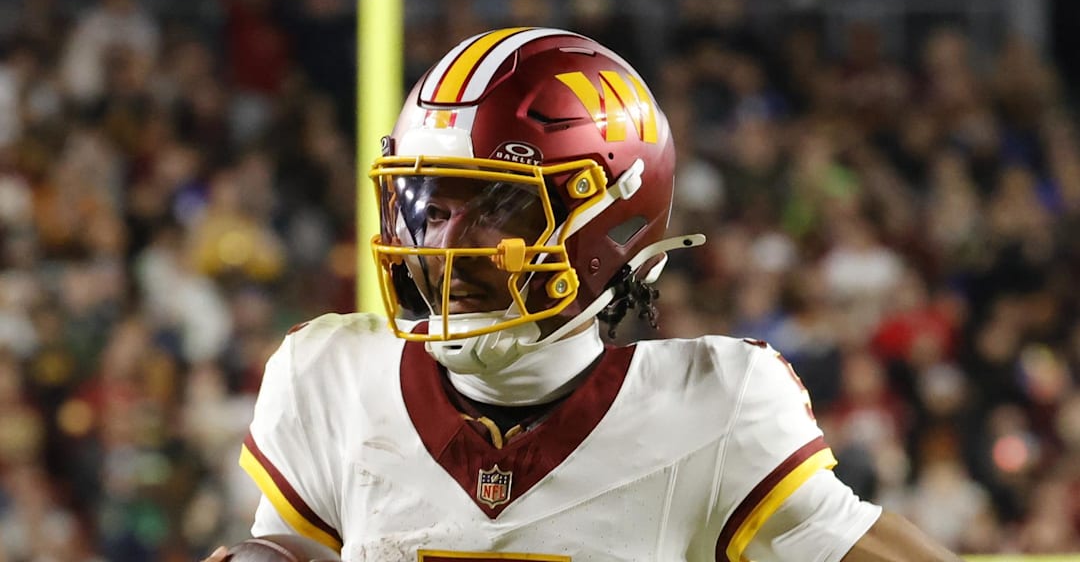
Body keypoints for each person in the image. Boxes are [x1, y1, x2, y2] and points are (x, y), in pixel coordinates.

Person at [204, 27, 962, 561]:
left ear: (612, 225)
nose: (442, 248)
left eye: (498, 208)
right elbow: (291, 551)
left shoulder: (713, 408)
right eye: (430, 207)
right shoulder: (331, 378)